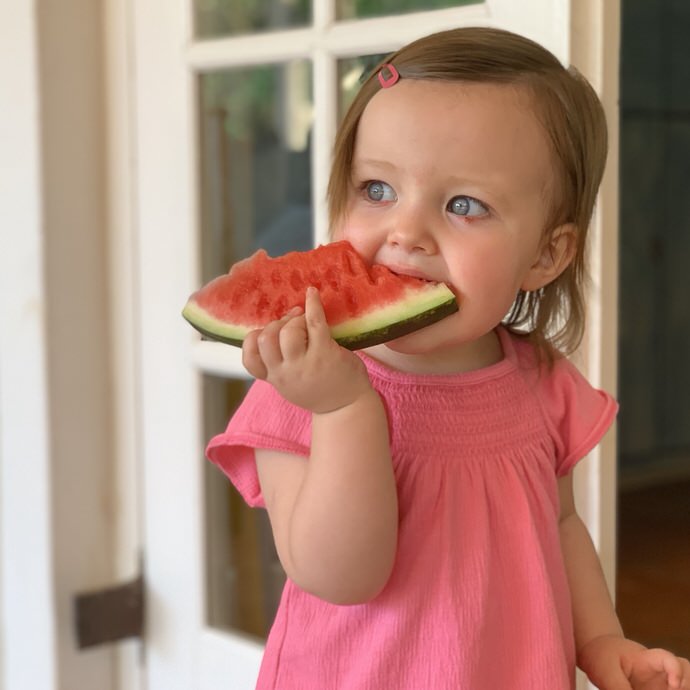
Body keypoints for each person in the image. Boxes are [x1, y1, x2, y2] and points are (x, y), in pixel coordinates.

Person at [206, 27, 690, 690]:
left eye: (464, 204)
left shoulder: (541, 384)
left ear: (546, 255)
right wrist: (345, 407)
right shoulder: (300, 385)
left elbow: (559, 522)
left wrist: (601, 640)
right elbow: (340, 577)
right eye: (377, 190)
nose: (406, 232)